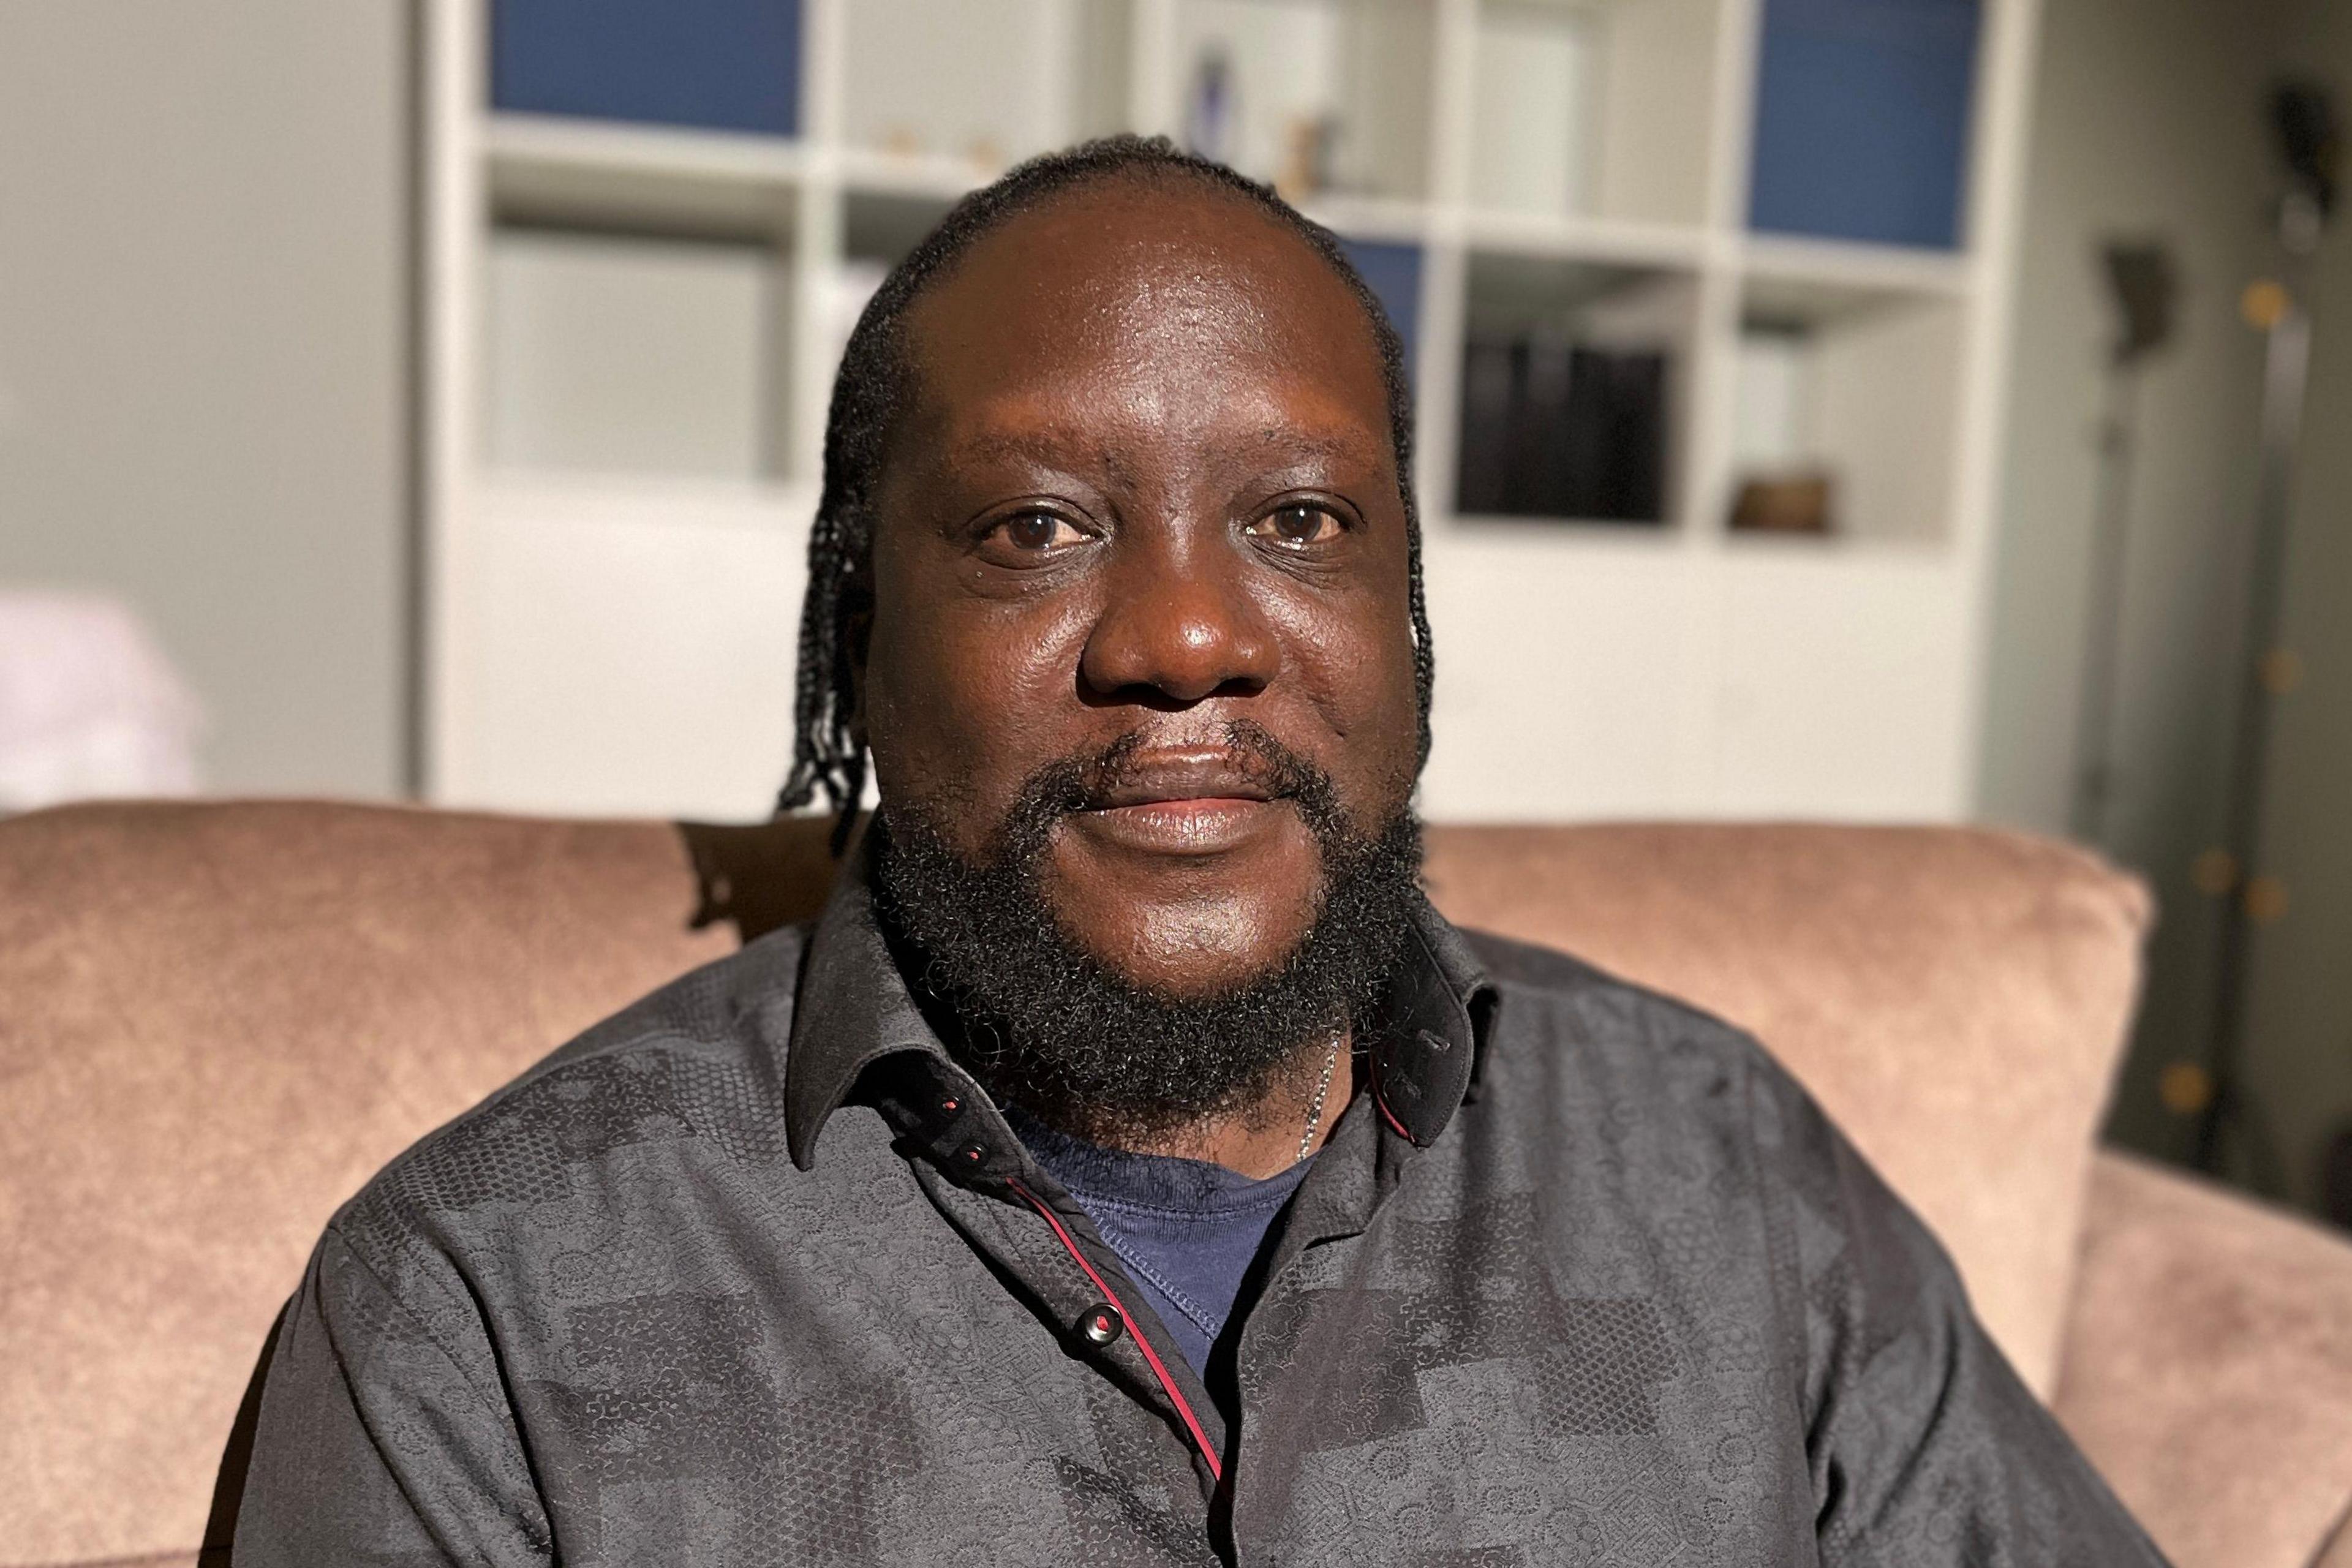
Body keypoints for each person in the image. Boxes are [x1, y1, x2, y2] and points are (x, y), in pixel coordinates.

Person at [232, 137, 2166, 1565]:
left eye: (1302, 521)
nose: (1183, 636)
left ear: (1407, 619)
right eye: (1037, 528)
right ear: (861, 636)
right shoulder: (486, 1300)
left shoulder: (1722, 1165)